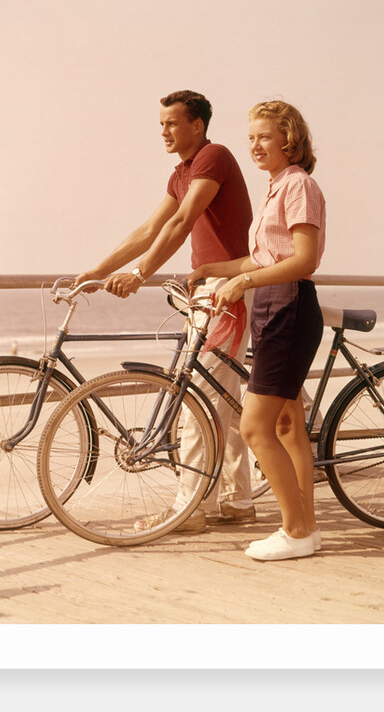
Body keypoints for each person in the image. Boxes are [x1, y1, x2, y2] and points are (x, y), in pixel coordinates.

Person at [74, 89, 256, 532]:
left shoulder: (214, 157)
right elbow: (151, 227)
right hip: (208, 289)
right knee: (221, 398)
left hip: (227, 290)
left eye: (172, 123)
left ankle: (190, 508)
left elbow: (182, 222)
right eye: (161, 124)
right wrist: (96, 271)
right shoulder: (181, 174)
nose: (164, 132)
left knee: (199, 398)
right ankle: (235, 500)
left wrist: (139, 274)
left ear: (197, 125)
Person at [188, 99, 326, 561]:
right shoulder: (275, 188)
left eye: (264, 136)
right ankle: (306, 525)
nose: (254, 145)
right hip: (271, 304)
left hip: (289, 306)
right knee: (287, 425)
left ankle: (296, 531)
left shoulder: (299, 186)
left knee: (253, 426)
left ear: (289, 138)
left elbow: (304, 260)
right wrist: (215, 268)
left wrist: (243, 281)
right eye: (250, 138)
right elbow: (263, 257)